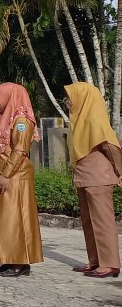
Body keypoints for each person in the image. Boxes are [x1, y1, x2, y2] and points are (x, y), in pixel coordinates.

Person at [0, 83, 43, 277]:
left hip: (14, 178)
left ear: (10, 96)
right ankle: (9, 258)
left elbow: (20, 150)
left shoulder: (22, 120)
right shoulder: (2, 117)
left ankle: (20, 262)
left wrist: (5, 174)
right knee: (2, 221)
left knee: (15, 220)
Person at [65, 82, 122, 278]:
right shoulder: (79, 121)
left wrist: (120, 171)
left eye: (70, 97)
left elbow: (111, 148)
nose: (67, 101)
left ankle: (110, 264)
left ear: (83, 98)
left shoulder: (95, 120)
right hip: (84, 176)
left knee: (102, 220)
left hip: (98, 177)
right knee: (88, 221)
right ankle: (95, 260)